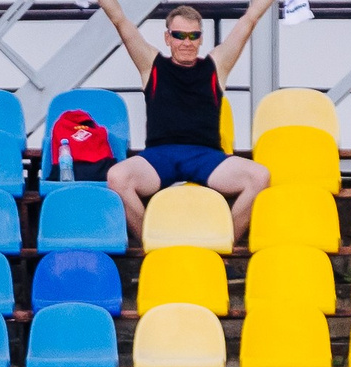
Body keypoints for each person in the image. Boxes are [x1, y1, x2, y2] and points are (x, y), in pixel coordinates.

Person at [96, 0, 278, 245]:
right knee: (117, 177)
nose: (187, 42)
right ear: (167, 37)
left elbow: (250, 18)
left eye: (194, 35)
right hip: (160, 156)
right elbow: (120, 20)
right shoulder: (152, 65)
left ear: (201, 39)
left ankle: (225, 245)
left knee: (259, 176)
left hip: (206, 157)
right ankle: (151, 244)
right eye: (179, 35)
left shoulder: (216, 66)